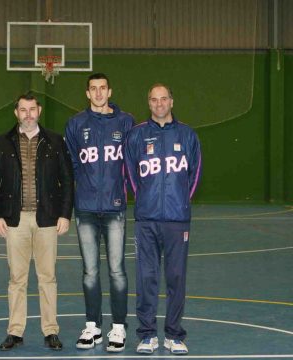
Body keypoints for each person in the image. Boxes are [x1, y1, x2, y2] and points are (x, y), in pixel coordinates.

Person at [0, 93, 74, 351]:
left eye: (32, 109)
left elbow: (67, 180)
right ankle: (15, 331)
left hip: (47, 219)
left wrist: (65, 214)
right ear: (16, 113)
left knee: (48, 277)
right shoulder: (3, 142)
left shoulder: (55, 141)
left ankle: (50, 330)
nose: (27, 114)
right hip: (15, 220)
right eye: (23, 110)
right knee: (17, 278)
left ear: (39, 111)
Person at [124, 84, 202, 355]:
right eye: (154, 100)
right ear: (149, 103)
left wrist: (182, 202)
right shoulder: (136, 135)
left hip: (177, 220)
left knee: (176, 278)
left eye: (163, 99)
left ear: (171, 101)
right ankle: (146, 335)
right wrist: (142, 199)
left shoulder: (187, 135)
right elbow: (131, 174)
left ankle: (174, 335)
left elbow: (195, 173)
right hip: (146, 220)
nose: (159, 104)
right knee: (146, 277)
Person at [64, 73, 135, 352]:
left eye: (102, 88)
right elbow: (70, 163)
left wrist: (126, 189)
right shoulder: (75, 124)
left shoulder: (126, 122)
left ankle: (118, 328)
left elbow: (133, 159)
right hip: (86, 210)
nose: (98, 93)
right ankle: (92, 326)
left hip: (116, 208)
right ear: (87, 93)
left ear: (110, 91)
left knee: (117, 271)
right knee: (90, 272)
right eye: (93, 89)